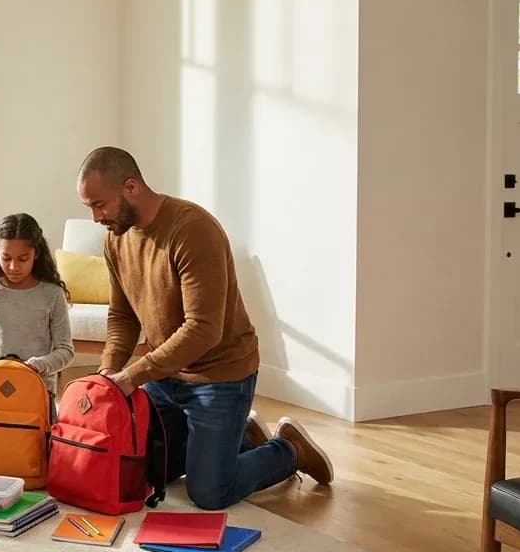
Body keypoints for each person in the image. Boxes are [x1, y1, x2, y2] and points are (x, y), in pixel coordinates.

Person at [76, 146, 333, 510]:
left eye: (99, 205)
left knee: (209, 492)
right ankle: (240, 439)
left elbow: (203, 329)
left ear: (130, 187)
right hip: (165, 378)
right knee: (141, 472)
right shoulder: (115, 239)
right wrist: (109, 370)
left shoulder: (192, 230)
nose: (96, 217)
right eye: (90, 207)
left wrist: (134, 375)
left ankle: (289, 449)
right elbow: (122, 316)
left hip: (219, 376)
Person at [0, 213, 75, 398]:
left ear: (36, 254)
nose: (13, 267)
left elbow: (65, 350)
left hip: (37, 393)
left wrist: (36, 366)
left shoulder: (52, 294)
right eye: (6, 258)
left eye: (23, 258)